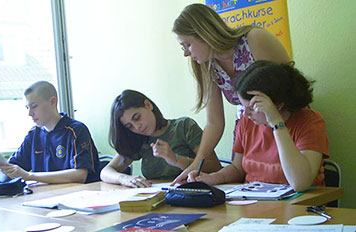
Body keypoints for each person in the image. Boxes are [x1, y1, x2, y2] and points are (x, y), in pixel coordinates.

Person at [171, 3, 291, 184]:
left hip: (283, 122)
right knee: (249, 184)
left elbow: (290, 88)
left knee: (285, 180)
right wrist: (197, 164)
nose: (186, 54)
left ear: (205, 34)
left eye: (188, 45)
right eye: (183, 48)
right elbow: (214, 122)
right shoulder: (207, 66)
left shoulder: (254, 39)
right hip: (249, 127)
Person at [188, 61, 329, 192]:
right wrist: (211, 178)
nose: (246, 114)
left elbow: (300, 183)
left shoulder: (310, 121)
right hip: (255, 203)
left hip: (301, 207)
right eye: (244, 107)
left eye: (252, 107)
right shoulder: (247, 122)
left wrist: (276, 123)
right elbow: (238, 168)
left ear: (278, 105)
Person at [100, 89, 221, 188]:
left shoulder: (184, 127)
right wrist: (124, 178)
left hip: (192, 195)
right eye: (129, 126)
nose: (137, 127)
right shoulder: (138, 139)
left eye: (137, 118)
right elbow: (105, 172)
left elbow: (214, 167)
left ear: (148, 105)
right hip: (156, 199)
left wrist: (176, 159)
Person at [0, 81, 100, 184]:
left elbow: (80, 175)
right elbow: (12, 169)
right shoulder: (33, 135)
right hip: (46, 195)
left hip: (78, 195)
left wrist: (30, 176)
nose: (30, 113)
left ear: (52, 102)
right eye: (27, 108)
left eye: (34, 106)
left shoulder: (76, 130)